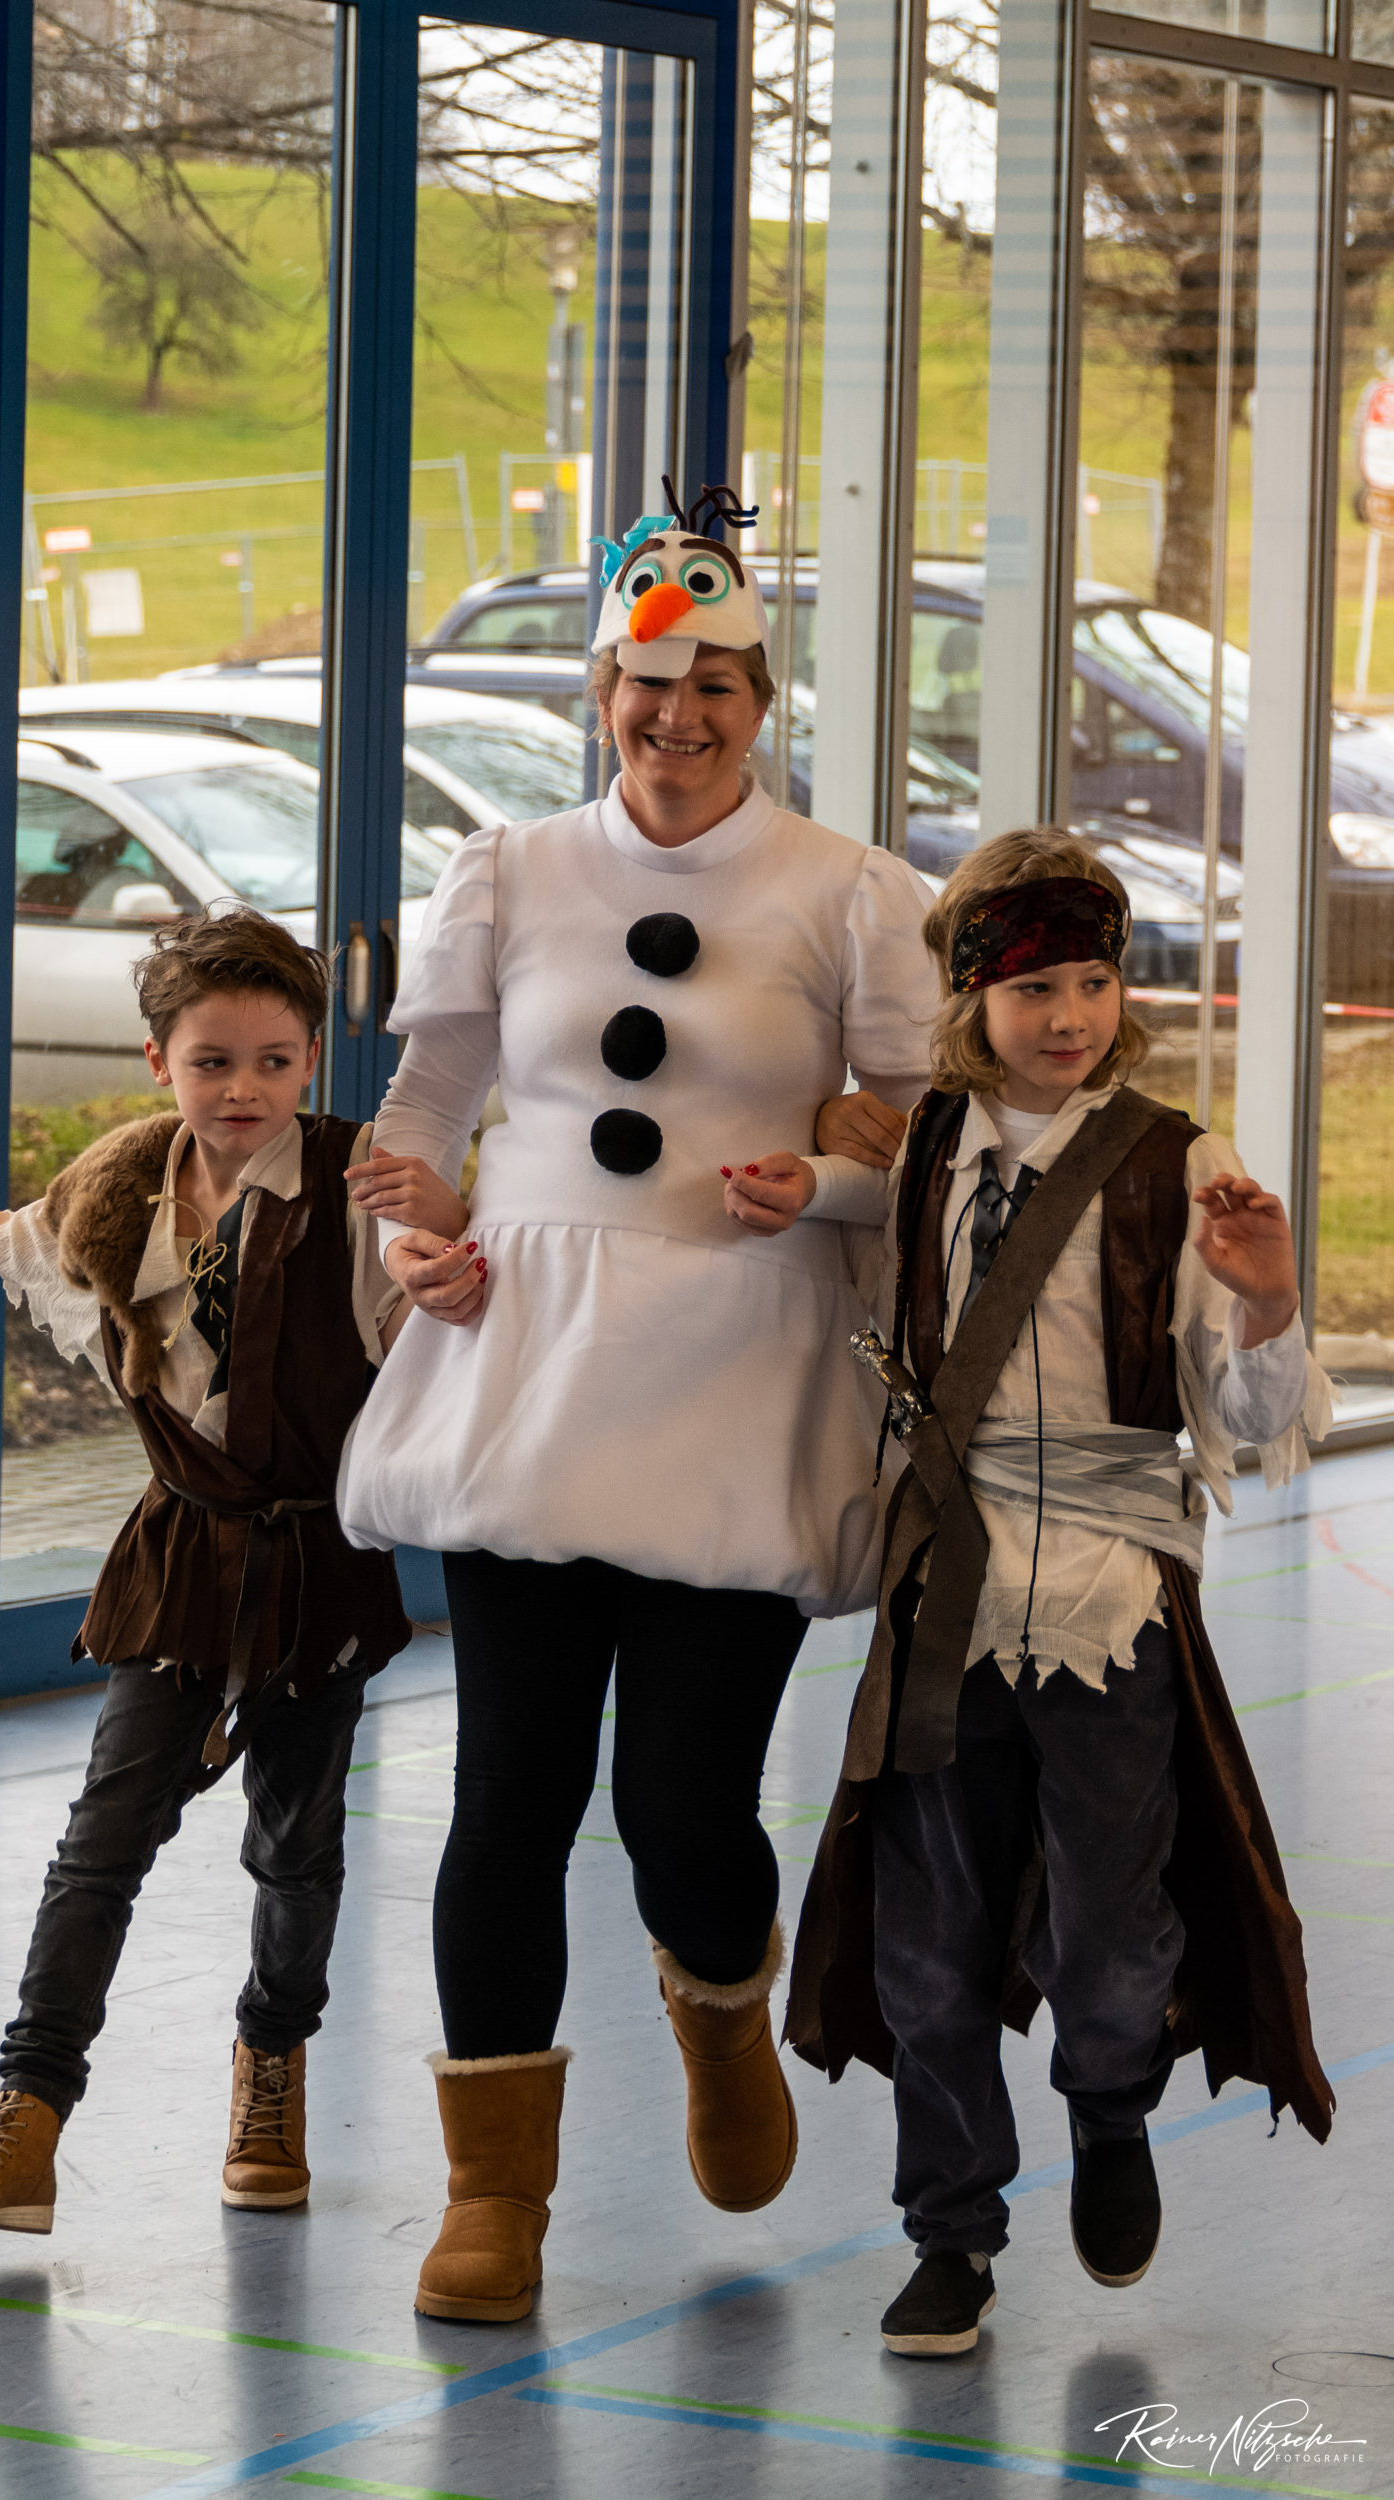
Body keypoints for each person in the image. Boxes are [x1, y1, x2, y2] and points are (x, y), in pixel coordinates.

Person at [338, 479, 942, 2324]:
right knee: (509, 1789)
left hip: (739, 1380)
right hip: (528, 1369)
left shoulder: (853, 893)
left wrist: (820, 1186)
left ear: (762, 701)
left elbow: (927, 1152)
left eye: (715, 690)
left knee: (683, 1800)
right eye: (647, 687)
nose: (677, 721)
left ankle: (721, 1997)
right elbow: (425, 1121)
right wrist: (415, 1245)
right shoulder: (509, 871)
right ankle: (493, 2196)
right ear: (602, 691)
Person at [0, 906, 469, 2234]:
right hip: (181, 1552)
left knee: (295, 1849)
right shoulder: (120, 1188)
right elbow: (4, 1239)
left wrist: (452, 1248)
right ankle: (25, 2121)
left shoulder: (361, 1179)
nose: (243, 1087)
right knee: (101, 1842)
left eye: (273, 1061)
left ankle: (271, 2061)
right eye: (213, 1062)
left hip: (319, 1558)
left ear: (312, 1060)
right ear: (159, 1062)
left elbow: (451, 1287)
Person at [779, 827, 1335, 2359]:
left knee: (1111, 1913)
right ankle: (949, 2231)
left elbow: (1248, 1417)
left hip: (1109, 1598)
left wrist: (1269, 1293)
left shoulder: (1175, 1161)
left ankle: (1108, 2107)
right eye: (1034, 989)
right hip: (944, 1591)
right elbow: (869, 1281)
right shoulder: (927, 1152)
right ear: (971, 998)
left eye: (1094, 982)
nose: (1070, 1014)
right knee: (927, 1930)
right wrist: (799, 1177)